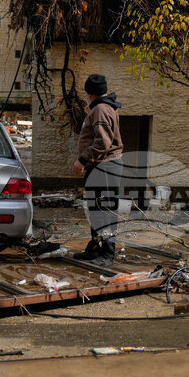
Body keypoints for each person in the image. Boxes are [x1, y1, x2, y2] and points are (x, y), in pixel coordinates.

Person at [72, 74, 123, 262]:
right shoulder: (101, 107)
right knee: (96, 210)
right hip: (101, 167)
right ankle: (94, 247)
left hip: (105, 167)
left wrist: (82, 160)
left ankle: (107, 254)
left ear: (90, 94)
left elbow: (103, 142)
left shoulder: (101, 109)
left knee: (105, 211)